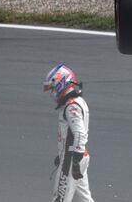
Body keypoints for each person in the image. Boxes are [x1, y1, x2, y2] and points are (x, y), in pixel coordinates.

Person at [44, 63, 95, 202]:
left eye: (53, 88)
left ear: (61, 84)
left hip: (72, 158)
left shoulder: (71, 106)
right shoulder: (78, 101)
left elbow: (79, 133)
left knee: (60, 198)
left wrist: (74, 159)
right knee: (84, 198)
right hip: (77, 155)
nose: (52, 92)